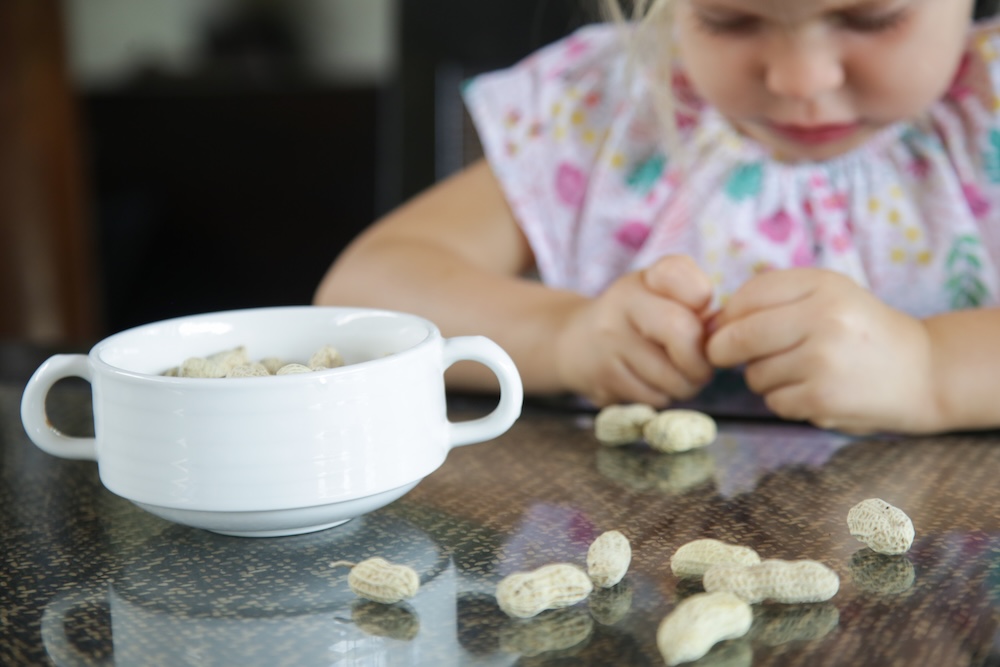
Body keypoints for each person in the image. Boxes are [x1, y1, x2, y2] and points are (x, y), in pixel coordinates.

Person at [315, 0, 1000, 435]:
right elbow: (363, 292)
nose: (800, 80)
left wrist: (932, 368)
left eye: (872, 18)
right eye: (730, 20)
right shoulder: (601, 114)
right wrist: (564, 335)